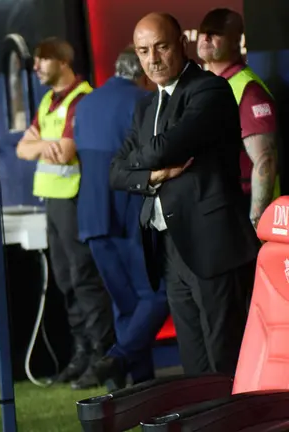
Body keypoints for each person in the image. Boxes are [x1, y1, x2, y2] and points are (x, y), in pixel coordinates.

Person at [109, 12, 261, 376]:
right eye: (144, 51)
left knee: (225, 360)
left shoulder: (209, 90)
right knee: (194, 366)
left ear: (181, 44)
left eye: (161, 47)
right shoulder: (145, 106)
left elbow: (164, 148)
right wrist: (154, 174)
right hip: (170, 247)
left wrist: (143, 163)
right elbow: (115, 173)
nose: (153, 59)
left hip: (213, 247)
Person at [15, 37, 114, 385]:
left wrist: (41, 146)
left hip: (74, 199)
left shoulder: (82, 98)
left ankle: (102, 357)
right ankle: (81, 353)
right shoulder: (48, 101)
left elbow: (67, 149)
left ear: (61, 60)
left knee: (84, 280)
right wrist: (46, 146)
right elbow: (22, 149)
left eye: (42, 60)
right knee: (65, 280)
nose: (36, 67)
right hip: (52, 201)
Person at [72, 47, 168, 390]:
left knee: (126, 303)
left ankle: (135, 385)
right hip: (131, 211)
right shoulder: (144, 102)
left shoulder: (85, 104)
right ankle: (120, 357)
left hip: (92, 216)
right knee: (156, 296)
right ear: (142, 73)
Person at [197, 8, 279, 226]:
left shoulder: (248, 89)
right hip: (219, 204)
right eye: (203, 32)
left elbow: (265, 160)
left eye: (215, 33)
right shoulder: (210, 84)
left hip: (243, 206)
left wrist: (256, 221)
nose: (205, 38)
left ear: (236, 41)